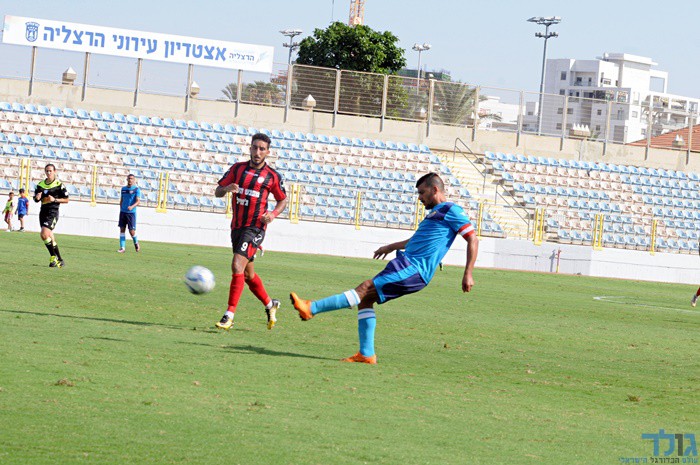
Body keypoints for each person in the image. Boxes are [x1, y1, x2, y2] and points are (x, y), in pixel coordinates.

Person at [290, 172, 479, 364]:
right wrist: (390, 247)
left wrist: (468, 273)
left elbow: (472, 238)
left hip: (413, 268)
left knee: (364, 288)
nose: (419, 198)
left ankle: (311, 308)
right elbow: (415, 241)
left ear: (435, 189)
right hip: (406, 264)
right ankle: (366, 354)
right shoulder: (435, 213)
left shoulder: (452, 210)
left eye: (422, 192)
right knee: (366, 300)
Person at [214, 133, 288, 330]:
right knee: (247, 275)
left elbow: (282, 199)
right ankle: (270, 305)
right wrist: (227, 188)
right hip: (237, 227)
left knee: (237, 265)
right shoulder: (237, 169)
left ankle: (229, 315)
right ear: (250, 148)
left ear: (267, 152)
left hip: (255, 228)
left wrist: (272, 214)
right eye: (255, 147)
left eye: (262, 149)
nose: (257, 152)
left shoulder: (272, 176)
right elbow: (217, 191)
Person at [34, 164, 69, 267]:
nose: (48, 173)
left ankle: (53, 257)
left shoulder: (59, 185)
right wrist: (37, 198)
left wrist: (55, 200)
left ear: (54, 171)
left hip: (52, 212)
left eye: (50, 171)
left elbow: (66, 200)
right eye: (47, 171)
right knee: (49, 237)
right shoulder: (40, 185)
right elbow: (36, 199)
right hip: (43, 212)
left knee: (44, 234)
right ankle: (60, 260)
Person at [118, 173, 141, 253]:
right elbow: (122, 200)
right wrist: (121, 208)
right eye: (129, 178)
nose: (130, 180)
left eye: (132, 179)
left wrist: (132, 206)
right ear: (127, 179)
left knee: (131, 231)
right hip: (123, 212)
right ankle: (122, 248)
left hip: (131, 213)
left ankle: (136, 242)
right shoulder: (123, 189)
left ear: (134, 180)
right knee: (122, 229)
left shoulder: (136, 189)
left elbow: (138, 201)